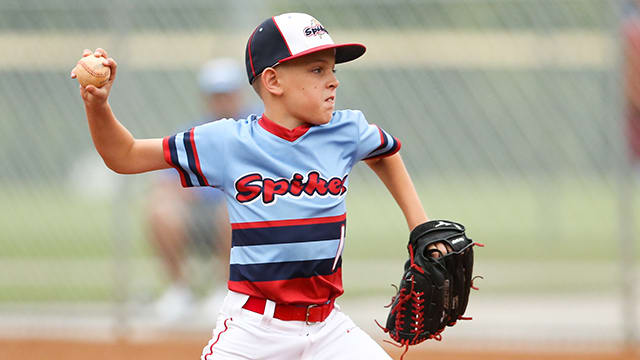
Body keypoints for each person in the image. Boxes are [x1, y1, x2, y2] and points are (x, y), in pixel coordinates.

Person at [72, 12, 450, 360]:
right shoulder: (227, 142)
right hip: (253, 330)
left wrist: (419, 226)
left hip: (329, 327)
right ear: (272, 80)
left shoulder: (345, 130)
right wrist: (97, 106)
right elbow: (124, 155)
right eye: (317, 70)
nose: (333, 80)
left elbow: (385, 153)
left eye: (333, 70)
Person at [145, 58, 256, 322]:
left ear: (239, 94)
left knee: (232, 208)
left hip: (240, 215)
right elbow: (166, 182)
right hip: (196, 213)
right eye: (216, 95)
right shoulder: (192, 134)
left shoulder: (257, 129)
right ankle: (179, 292)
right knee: (160, 208)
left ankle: (225, 290)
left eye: (227, 94)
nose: (222, 101)